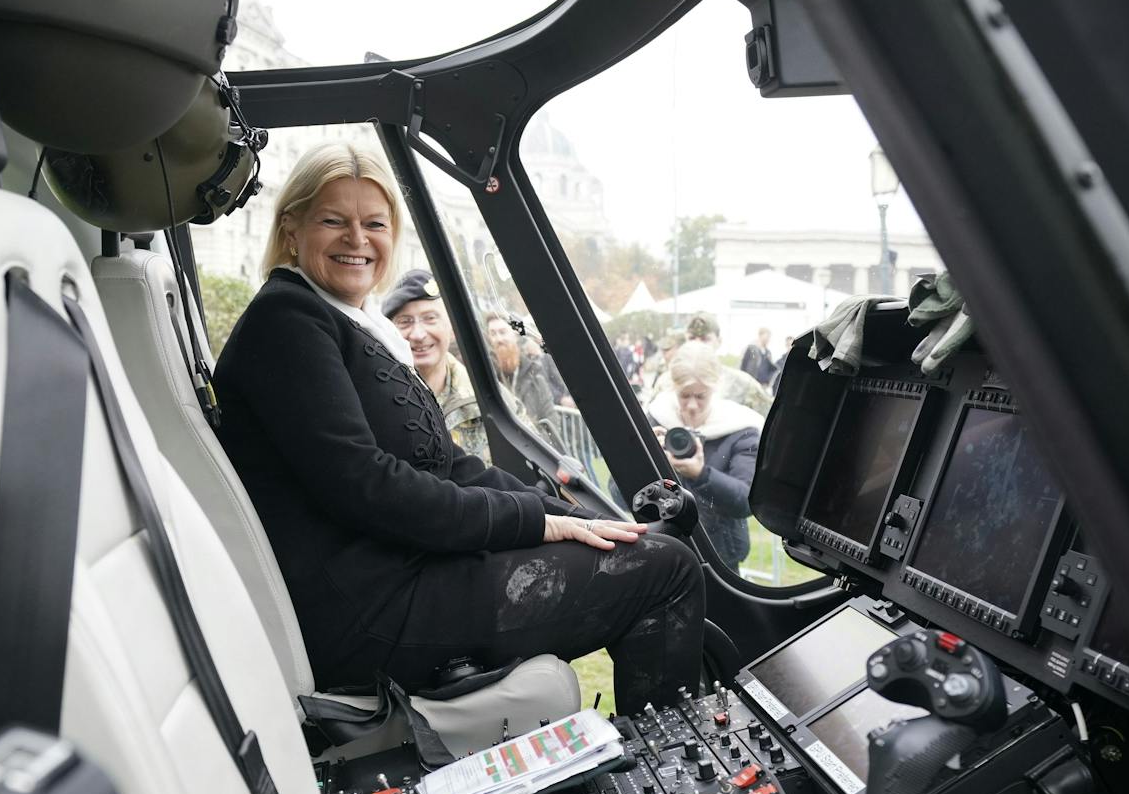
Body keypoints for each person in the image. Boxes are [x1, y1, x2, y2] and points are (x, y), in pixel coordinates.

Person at [215, 143, 705, 713]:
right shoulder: (289, 321)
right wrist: (536, 525)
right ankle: (672, 768)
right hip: (371, 611)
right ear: (292, 228)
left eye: (374, 223)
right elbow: (371, 487)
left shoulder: (354, 324)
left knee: (642, 549)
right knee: (666, 571)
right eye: (334, 221)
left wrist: (573, 518)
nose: (357, 239)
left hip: (403, 575)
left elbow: (448, 463)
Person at [383, 268, 531, 463]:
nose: (418, 334)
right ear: (388, 331)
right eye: (405, 321)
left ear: (451, 329)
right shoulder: (375, 398)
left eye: (430, 318)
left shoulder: (491, 400)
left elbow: (531, 463)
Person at [647, 344, 762, 570]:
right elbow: (620, 491)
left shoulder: (739, 427)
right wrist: (647, 454)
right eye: (684, 395)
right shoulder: (658, 418)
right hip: (663, 545)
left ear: (715, 388)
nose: (691, 405)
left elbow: (745, 502)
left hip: (720, 555)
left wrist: (701, 475)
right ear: (673, 387)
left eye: (701, 396)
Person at [486, 313, 560, 437]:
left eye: (503, 332)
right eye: (493, 334)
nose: (498, 339)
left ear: (515, 335)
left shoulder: (535, 377)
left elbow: (552, 424)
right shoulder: (486, 376)